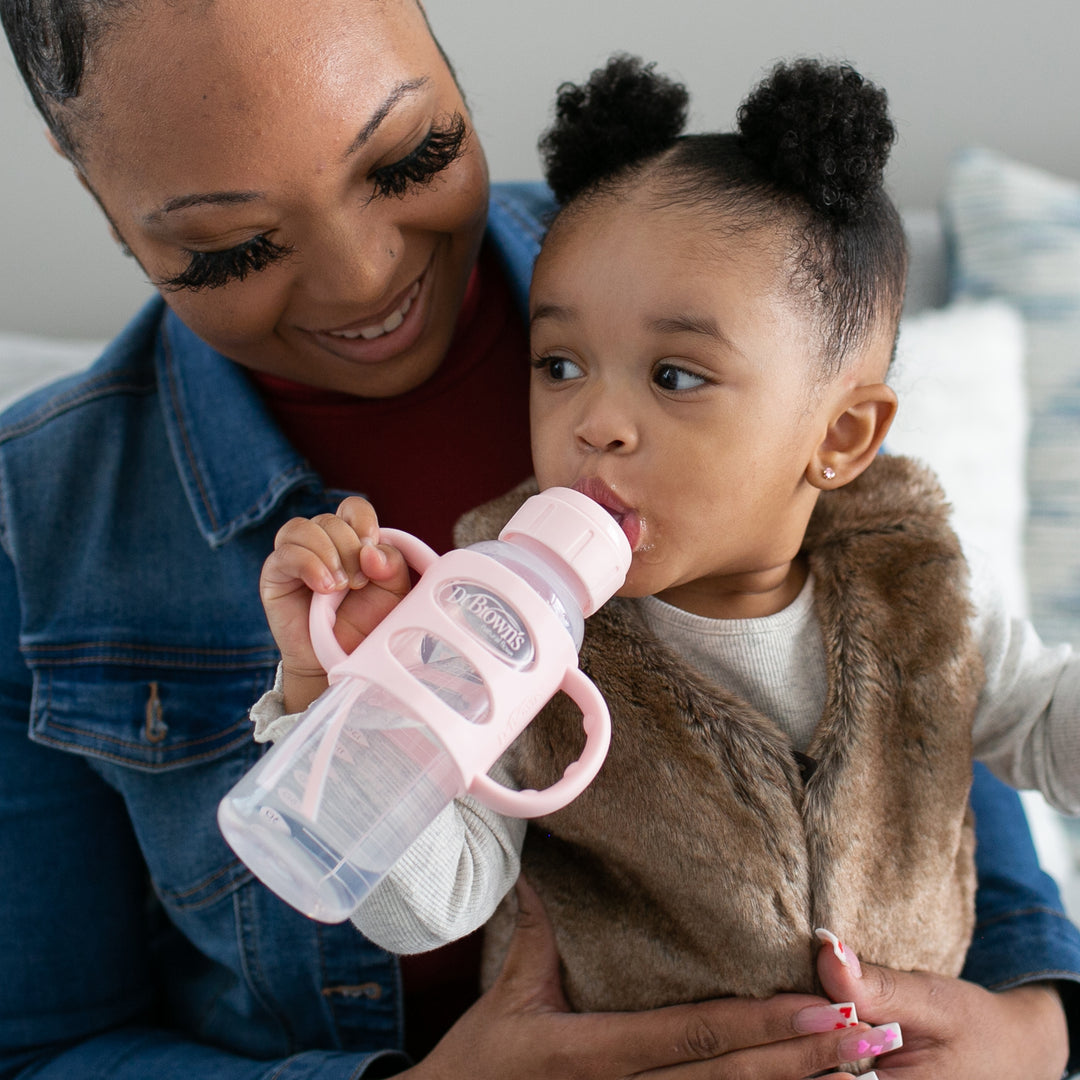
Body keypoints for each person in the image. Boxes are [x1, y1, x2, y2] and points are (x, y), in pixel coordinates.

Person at [0, 0, 1074, 1075]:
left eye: (407, 157)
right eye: (235, 245)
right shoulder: (40, 521)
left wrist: (1042, 1026)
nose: (363, 279)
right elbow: (48, 1046)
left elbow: (931, 728)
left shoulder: (714, 264)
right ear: (87, 172)